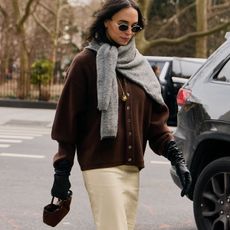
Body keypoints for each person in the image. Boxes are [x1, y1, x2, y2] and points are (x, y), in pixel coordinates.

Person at [50, 1, 192, 230]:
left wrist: (178, 160)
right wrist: (61, 171)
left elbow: (156, 126)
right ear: (107, 22)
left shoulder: (141, 66)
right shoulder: (85, 63)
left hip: (132, 167)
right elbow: (67, 121)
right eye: (123, 26)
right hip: (100, 165)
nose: (129, 33)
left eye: (134, 28)